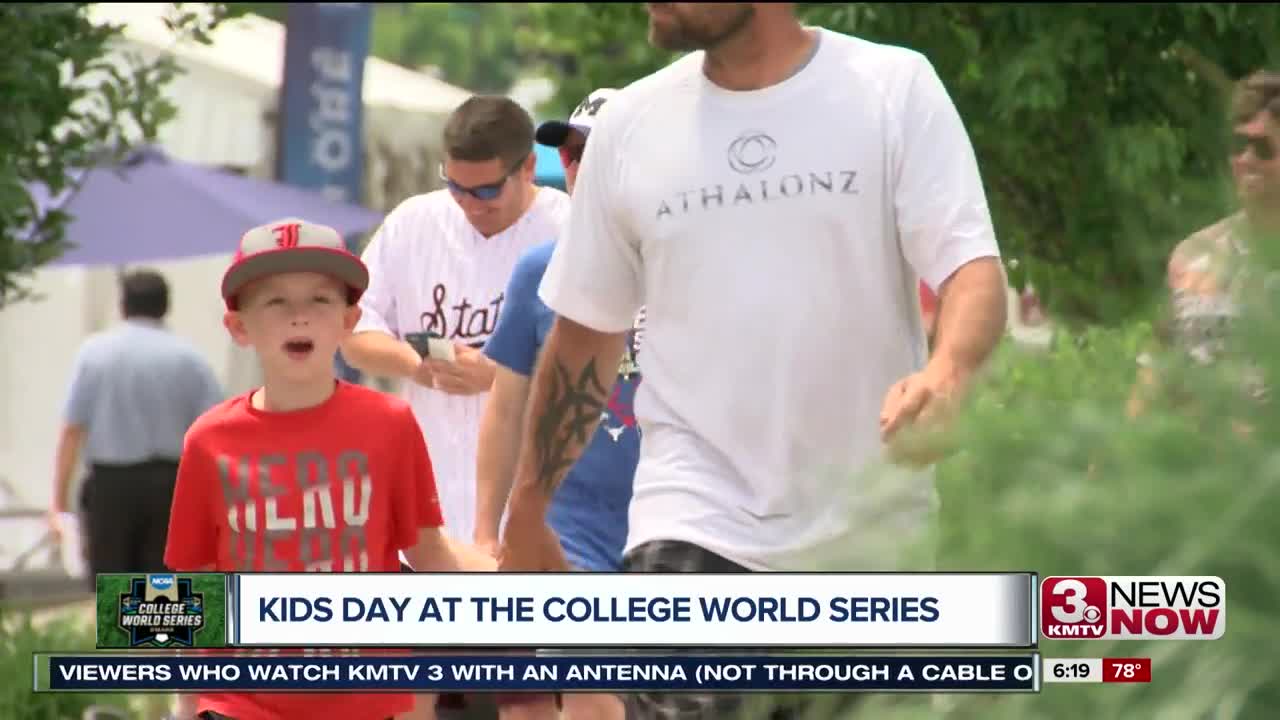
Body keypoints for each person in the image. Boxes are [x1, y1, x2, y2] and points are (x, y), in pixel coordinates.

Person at [498, 4, 1007, 719]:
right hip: (692, 523)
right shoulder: (630, 126)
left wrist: (949, 370)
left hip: (871, 544)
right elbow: (584, 339)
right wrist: (527, 506)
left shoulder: (892, 88)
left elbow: (972, 270)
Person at [164, 218, 491, 720]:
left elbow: (429, 556)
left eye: (320, 300)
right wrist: (183, 711)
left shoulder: (391, 424)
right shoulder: (208, 440)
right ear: (239, 327)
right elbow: (193, 591)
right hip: (241, 703)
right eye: (275, 301)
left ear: (349, 320)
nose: (300, 317)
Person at [341, 95, 571, 549]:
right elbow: (352, 331)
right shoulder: (413, 222)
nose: (471, 203)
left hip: (539, 503)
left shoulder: (569, 227)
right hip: (431, 491)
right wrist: (415, 364)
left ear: (527, 168)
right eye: (456, 187)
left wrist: (504, 376)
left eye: (486, 190)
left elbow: (603, 356)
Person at [474, 88, 632, 720]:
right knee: (573, 703)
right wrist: (488, 530)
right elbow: (505, 407)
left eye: (598, 149)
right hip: (567, 537)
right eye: (569, 150)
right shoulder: (538, 270)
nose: (578, 162)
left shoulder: (693, 271)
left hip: (673, 536)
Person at [49, 269, 223, 589]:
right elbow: (216, 432)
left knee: (112, 581)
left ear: (123, 305)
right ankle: (158, 638)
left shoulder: (94, 354)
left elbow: (72, 429)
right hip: (171, 485)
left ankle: (119, 637)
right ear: (166, 306)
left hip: (111, 485)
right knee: (164, 584)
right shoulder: (190, 358)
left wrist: (58, 501)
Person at [1127, 69, 1280, 420]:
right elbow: (1156, 371)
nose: (1246, 160)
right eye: (1239, 146)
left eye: (1263, 148)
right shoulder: (1194, 256)